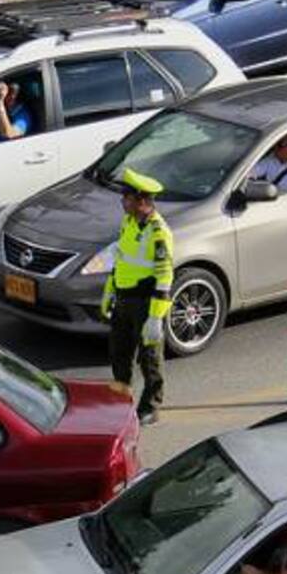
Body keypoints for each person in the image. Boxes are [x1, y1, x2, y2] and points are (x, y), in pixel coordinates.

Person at [101, 168, 175, 426]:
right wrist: (110, 291)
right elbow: (121, 259)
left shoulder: (158, 233)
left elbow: (165, 276)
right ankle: (122, 401)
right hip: (124, 299)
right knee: (119, 353)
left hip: (146, 304)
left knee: (149, 358)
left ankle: (152, 405)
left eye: (127, 198)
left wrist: (155, 318)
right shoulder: (128, 222)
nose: (123, 201)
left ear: (142, 201)